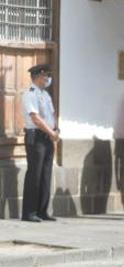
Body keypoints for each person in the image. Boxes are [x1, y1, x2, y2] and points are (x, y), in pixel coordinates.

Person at [20, 64, 59, 223]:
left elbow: (51, 115)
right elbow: (35, 118)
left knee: (46, 174)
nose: (48, 79)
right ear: (37, 77)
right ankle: (29, 212)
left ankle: (42, 211)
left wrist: (55, 130)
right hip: (36, 137)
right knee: (34, 175)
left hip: (48, 137)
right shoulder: (30, 94)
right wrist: (51, 133)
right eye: (45, 76)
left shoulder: (46, 95)